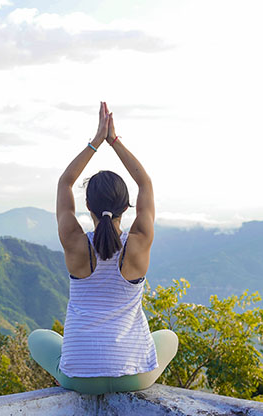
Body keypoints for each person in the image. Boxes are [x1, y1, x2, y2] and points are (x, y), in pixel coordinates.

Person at [28, 102, 178, 394]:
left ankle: (78, 367)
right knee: (168, 337)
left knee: (38, 337)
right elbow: (145, 183)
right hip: (135, 377)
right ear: (127, 206)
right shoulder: (139, 241)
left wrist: (96, 142)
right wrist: (115, 141)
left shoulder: (74, 241)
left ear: (87, 206)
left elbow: (65, 182)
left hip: (79, 380)